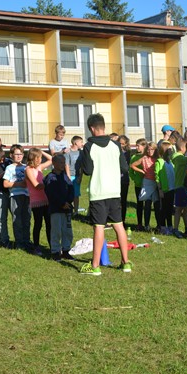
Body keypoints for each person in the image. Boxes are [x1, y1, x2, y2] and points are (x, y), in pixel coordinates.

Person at [79, 113, 132, 276]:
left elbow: (87, 171)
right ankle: (126, 262)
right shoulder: (115, 145)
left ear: (92, 128)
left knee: (99, 227)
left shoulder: (89, 146)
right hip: (114, 191)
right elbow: (125, 168)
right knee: (119, 225)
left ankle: (95, 266)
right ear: (103, 126)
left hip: (99, 192)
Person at [44, 154, 75, 261]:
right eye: (60, 162)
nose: (63, 164)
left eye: (64, 162)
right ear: (54, 163)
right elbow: (51, 194)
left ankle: (66, 250)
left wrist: (68, 201)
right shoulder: (50, 178)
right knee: (56, 231)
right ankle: (55, 251)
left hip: (67, 208)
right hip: (56, 209)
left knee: (67, 231)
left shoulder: (65, 176)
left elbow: (71, 189)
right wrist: (61, 203)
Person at [25, 148, 52, 256]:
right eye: (39, 157)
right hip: (36, 201)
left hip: (45, 199)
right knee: (38, 224)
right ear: (34, 158)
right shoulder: (28, 169)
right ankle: (36, 246)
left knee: (49, 224)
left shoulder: (39, 167)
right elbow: (36, 185)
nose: (41, 159)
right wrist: (49, 184)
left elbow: (51, 159)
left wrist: (41, 151)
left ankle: (52, 246)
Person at [3, 145, 30, 250]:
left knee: (27, 219)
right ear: (11, 155)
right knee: (17, 219)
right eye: (16, 154)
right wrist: (19, 184)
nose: (19, 156)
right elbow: (5, 184)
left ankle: (26, 240)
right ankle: (19, 242)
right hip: (15, 195)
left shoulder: (26, 167)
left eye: (21, 154)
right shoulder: (9, 168)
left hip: (27, 195)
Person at [130, 141, 159, 231]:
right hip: (147, 182)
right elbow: (132, 165)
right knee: (147, 204)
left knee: (157, 204)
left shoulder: (157, 158)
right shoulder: (144, 158)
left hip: (156, 182)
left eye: (152, 150)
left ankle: (159, 225)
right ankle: (146, 225)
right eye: (149, 149)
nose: (150, 151)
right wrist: (141, 171)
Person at [154, 141, 175, 234]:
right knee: (164, 209)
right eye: (169, 149)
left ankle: (170, 226)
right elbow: (157, 177)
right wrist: (160, 190)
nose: (171, 151)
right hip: (164, 189)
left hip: (171, 188)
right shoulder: (159, 162)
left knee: (170, 208)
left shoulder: (170, 162)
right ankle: (163, 227)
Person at [171, 137, 187, 237]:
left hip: (179, 185)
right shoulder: (180, 158)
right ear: (182, 148)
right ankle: (176, 229)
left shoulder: (175, 156)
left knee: (186, 208)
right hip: (181, 185)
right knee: (179, 209)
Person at [128, 138, 146, 230]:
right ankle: (139, 223)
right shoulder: (134, 157)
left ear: (144, 146)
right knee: (139, 204)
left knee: (147, 204)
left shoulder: (147, 156)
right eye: (136, 145)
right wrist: (135, 179)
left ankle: (147, 224)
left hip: (147, 184)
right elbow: (131, 171)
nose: (136, 147)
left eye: (138, 146)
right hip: (138, 184)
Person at [66, 136, 83, 216]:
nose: (82, 144)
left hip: (77, 176)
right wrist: (68, 177)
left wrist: (80, 177)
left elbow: (82, 166)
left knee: (76, 194)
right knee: (68, 194)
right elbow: (67, 165)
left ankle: (76, 211)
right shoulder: (68, 152)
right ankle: (69, 210)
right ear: (75, 143)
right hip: (70, 175)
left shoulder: (81, 153)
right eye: (81, 142)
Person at [118, 135, 131, 226]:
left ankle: (122, 219)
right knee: (116, 201)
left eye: (123, 144)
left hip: (124, 179)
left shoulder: (127, 153)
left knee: (123, 200)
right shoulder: (115, 152)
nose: (121, 145)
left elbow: (126, 166)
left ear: (126, 144)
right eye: (120, 143)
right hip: (116, 179)